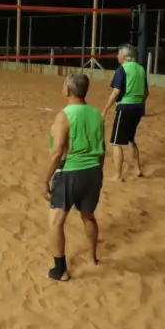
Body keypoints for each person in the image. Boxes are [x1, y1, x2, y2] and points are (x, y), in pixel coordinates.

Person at [44, 73, 105, 281]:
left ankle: (59, 269)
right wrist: (99, 172)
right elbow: (102, 148)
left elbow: (57, 151)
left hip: (71, 171)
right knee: (88, 215)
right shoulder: (97, 114)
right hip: (93, 171)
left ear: (68, 90)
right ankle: (92, 257)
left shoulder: (65, 115)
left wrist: (45, 179)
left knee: (56, 222)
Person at [101, 43, 148, 182]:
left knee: (116, 142)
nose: (117, 55)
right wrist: (139, 103)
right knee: (130, 139)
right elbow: (146, 92)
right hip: (138, 107)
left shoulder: (122, 69)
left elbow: (116, 91)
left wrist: (105, 109)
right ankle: (138, 169)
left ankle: (117, 175)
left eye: (118, 53)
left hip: (126, 107)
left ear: (124, 55)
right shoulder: (141, 69)